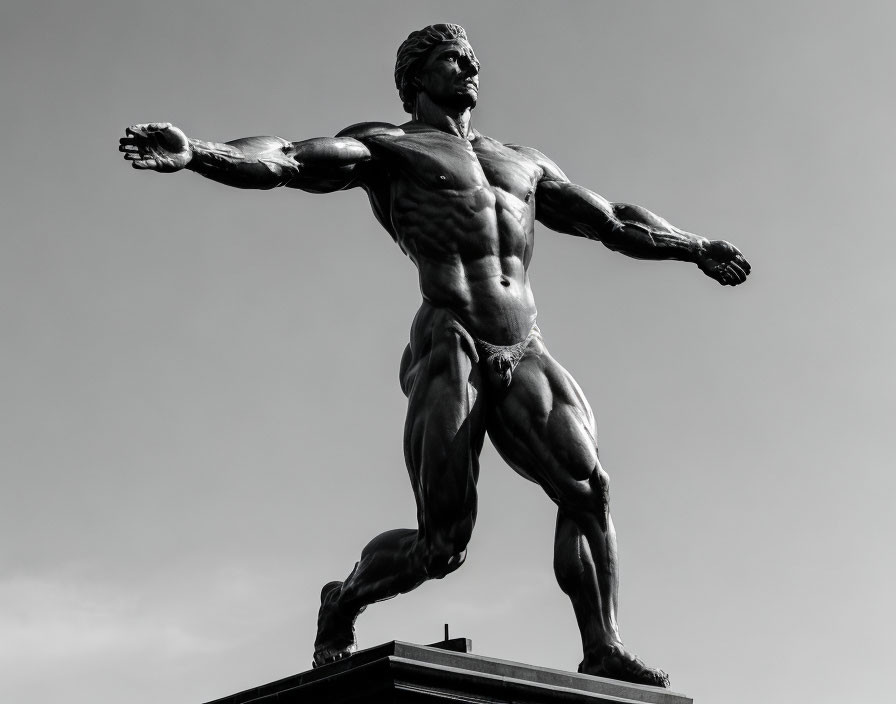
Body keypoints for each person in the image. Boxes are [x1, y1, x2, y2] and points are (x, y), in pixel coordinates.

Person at [119, 23, 750, 688]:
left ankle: (601, 647)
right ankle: (346, 599)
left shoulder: (522, 161)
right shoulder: (388, 147)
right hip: (452, 339)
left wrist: (693, 246)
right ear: (416, 77)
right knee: (443, 544)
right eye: (454, 58)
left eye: (474, 59)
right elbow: (289, 159)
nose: (471, 67)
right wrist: (199, 153)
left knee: (588, 489)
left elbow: (613, 221)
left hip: (523, 343)